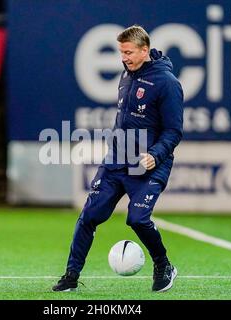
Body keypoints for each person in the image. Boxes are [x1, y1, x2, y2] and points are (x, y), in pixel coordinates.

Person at [52, 25, 184, 292]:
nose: (124, 57)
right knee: (89, 216)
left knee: (137, 219)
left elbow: (173, 131)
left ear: (144, 50)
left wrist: (155, 155)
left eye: (129, 52)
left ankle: (163, 264)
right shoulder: (127, 74)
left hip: (148, 166)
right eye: (121, 52)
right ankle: (71, 276)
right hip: (116, 161)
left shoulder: (167, 83)